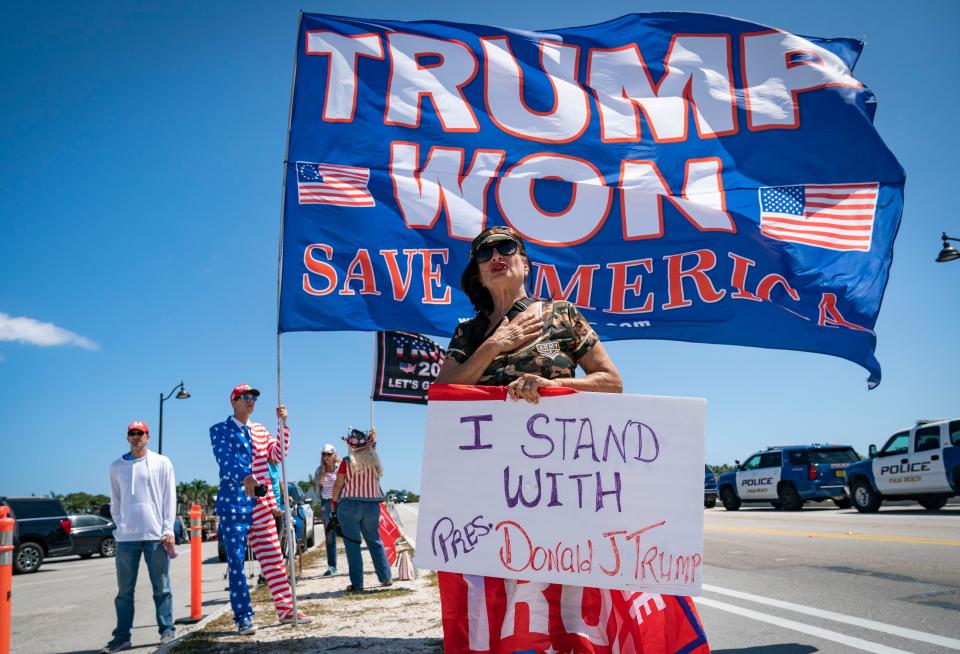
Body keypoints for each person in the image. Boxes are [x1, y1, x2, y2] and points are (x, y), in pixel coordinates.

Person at [433, 226, 709, 652]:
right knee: (508, 596)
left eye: (506, 248)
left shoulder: (561, 315)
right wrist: (495, 345)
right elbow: (445, 392)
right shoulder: (468, 333)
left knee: (571, 593)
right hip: (492, 494)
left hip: (561, 487)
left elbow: (611, 381)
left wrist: (548, 385)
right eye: (483, 253)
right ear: (478, 272)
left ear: (525, 262)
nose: (495, 256)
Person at [209, 383, 311, 634]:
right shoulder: (219, 430)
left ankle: (286, 609)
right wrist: (247, 477)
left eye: (253, 397)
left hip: (262, 505)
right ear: (233, 401)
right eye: (244, 397)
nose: (250, 400)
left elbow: (278, 454)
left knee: (274, 558)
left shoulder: (261, 430)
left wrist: (282, 425)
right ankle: (243, 617)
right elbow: (227, 462)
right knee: (236, 563)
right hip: (234, 505)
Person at [102, 420, 176, 653]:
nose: (136, 437)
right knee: (124, 592)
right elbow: (115, 502)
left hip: (155, 536)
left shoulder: (162, 462)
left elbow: (169, 498)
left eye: (140, 433)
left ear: (148, 436)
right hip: (126, 539)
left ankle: (167, 632)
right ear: (127, 437)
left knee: (161, 587)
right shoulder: (116, 467)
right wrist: (119, 526)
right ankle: (122, 637)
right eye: (132, 433)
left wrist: (168, 529)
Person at [330, 428, 392, 592]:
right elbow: (372, 449)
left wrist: (333, 503)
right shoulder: (374, 461)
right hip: (372, 506)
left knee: (353, 545)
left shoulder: (346, 461)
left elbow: (339, 484)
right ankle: (385, 577)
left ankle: (358, 584)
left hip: (350, 505)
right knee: (375, 541)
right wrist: (374, 438)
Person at [312, 443, 339, 576]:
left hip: (339, 502)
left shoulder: (340, 469)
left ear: (334, 455)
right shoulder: (319, 471)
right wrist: (321, 503)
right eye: (324, 454)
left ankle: (354, 563)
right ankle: (332, 565)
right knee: (329, 536)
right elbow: (317, 489)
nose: (326, 457)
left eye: (329, 454)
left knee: (346, 532)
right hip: (326, 503)